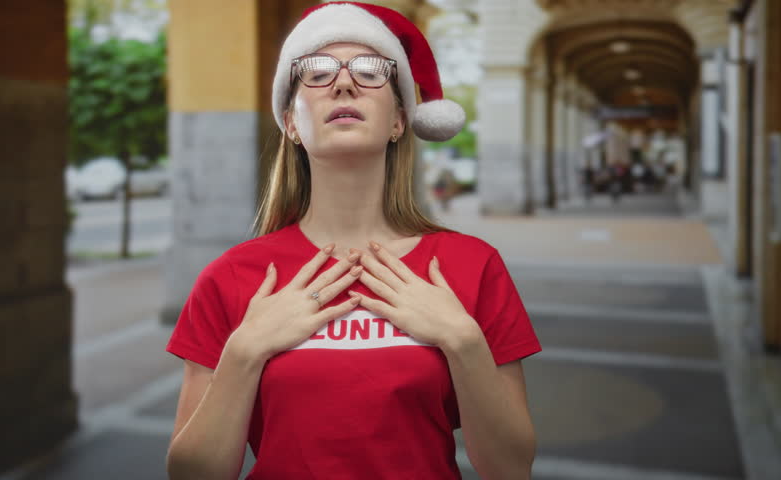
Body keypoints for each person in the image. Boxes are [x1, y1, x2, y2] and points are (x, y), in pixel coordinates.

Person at [164, 3, 541, 479]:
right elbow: (192, 476)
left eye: (370, 70)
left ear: (400, 121)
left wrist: (462, 340)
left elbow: (510, 468)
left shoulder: (472, 265)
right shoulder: (234, 277)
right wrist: (245, 353)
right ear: (293, 124)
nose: (344, 83)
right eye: (316, 72)